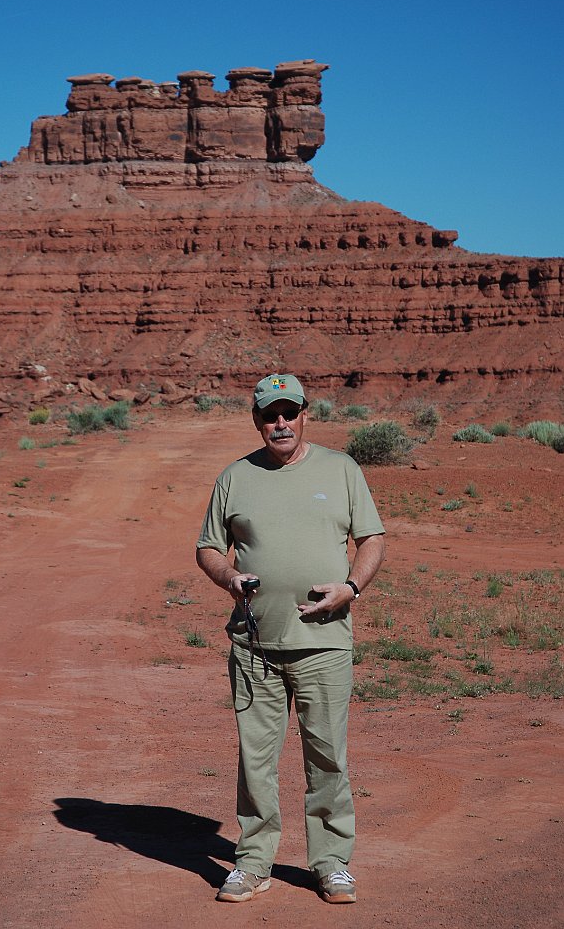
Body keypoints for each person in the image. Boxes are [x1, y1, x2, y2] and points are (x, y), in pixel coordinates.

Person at [196, 373, 385, 904]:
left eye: (289, 412)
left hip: (324, 642)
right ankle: (253, 862)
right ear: (256, 420)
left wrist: (350, 587)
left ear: (305, 415)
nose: (280, 422)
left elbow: (371, 538)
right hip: (254, 645)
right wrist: (230, 579)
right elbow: (209, 547)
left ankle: (330, 863)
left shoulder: (341, 469)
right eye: (269, 414)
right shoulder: (235, 476)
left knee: (326, 756)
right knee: (256, 759)